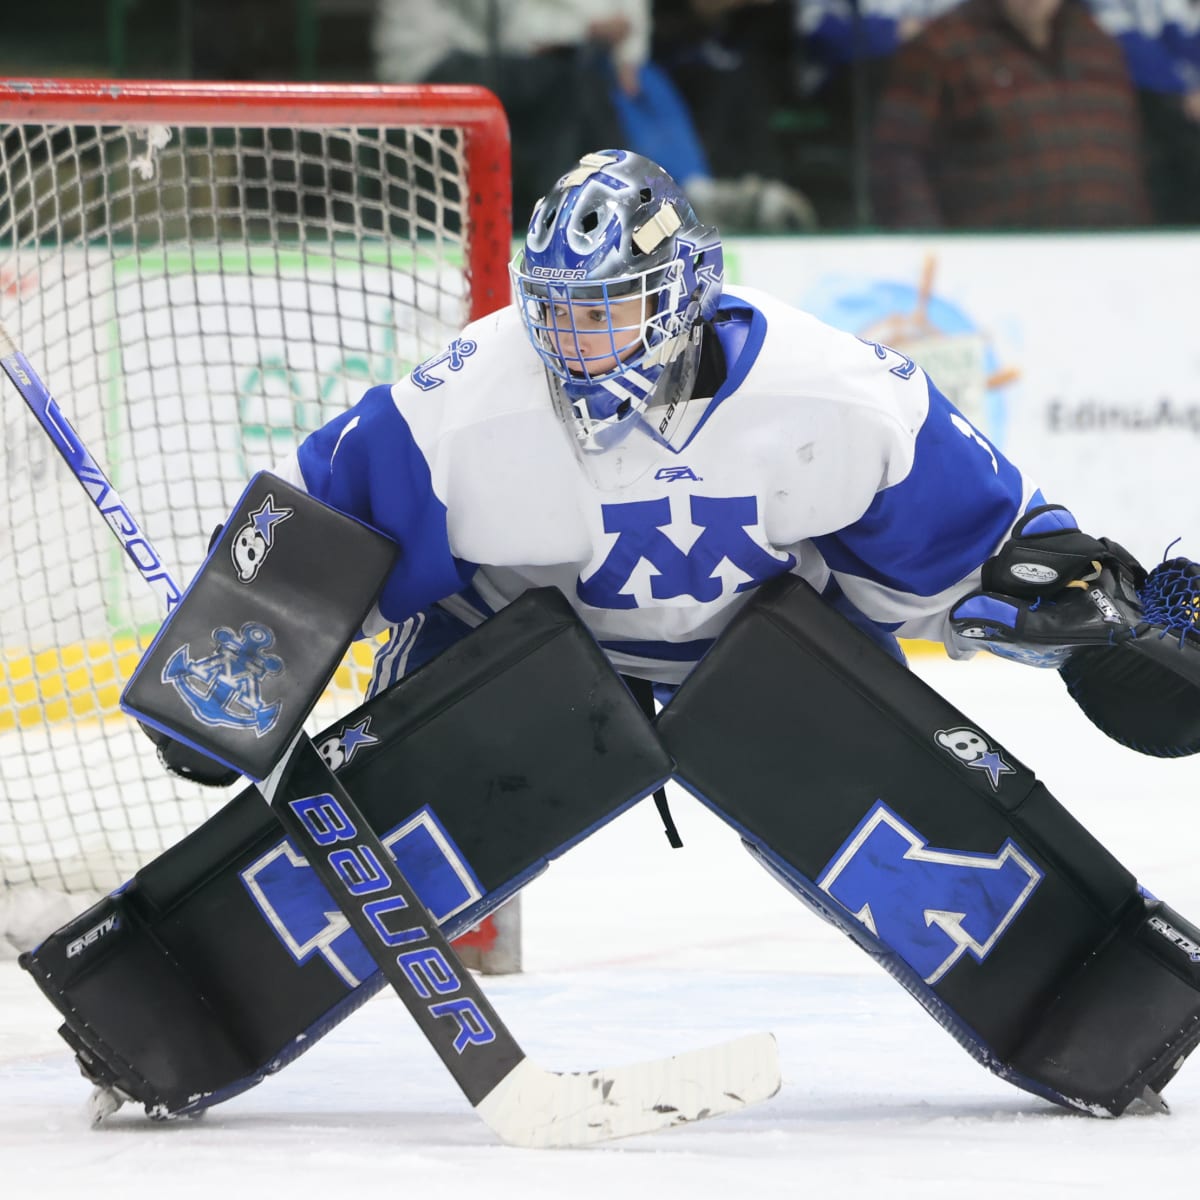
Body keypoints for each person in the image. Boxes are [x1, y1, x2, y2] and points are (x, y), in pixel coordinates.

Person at [870, 0, 1153, 229]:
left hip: (1115, 265)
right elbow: (896, 160)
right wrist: (932, 249)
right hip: (993, 274)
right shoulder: (940, 47)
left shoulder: (1100, 47)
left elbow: (1129, 160)